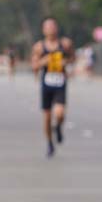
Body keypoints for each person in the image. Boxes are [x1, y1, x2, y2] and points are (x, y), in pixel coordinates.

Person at [30, 16, 74, 159]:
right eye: (47, 27)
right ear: (43, 30)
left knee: (60, 113)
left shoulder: (65, 44)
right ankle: (49, 143)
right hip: (46, 83)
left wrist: (65, 62)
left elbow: (73, 58)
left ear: (57, 28)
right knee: (47, 117)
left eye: (52, 26)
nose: (50, 29)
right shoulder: (38, 47)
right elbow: (34, 66)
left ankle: (58, 127)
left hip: (60, 82)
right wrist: (43, 61)